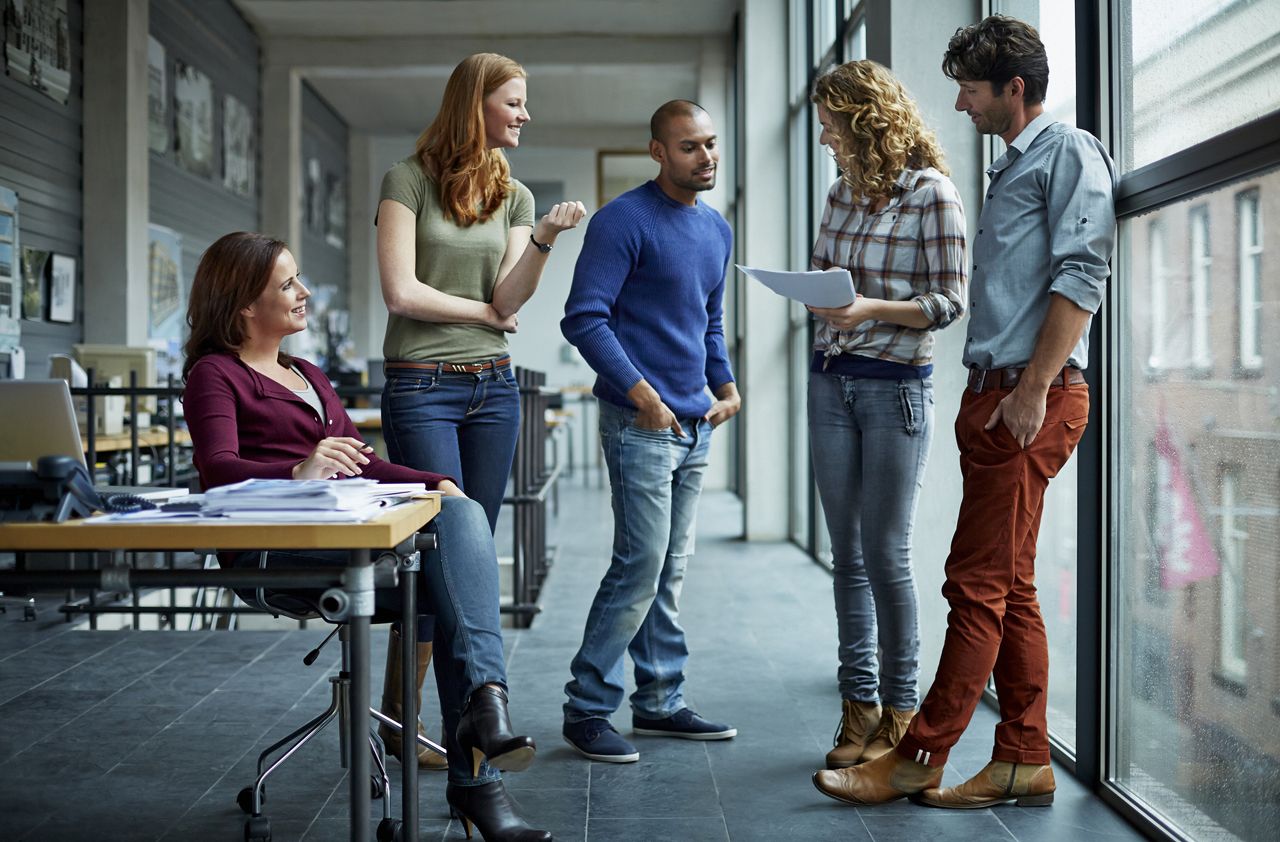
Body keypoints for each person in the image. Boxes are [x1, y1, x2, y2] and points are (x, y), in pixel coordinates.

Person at [813, 15, 1117, 809]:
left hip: (1029, 396)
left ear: (1015, 89)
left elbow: (1084, 275)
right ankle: (1022, 759)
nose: (959, 104)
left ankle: (919, 753)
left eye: (972, 89)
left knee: (972, 583)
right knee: (1010, 585)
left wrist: (1030, 391)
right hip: (996, 395)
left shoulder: (1069, 152)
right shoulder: (1010, 166)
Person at [182, 232, 551, 842]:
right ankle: (479, 772)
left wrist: (436, 481)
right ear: (245, 304)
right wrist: (297, 470)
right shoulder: (215, 375)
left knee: (461, 519)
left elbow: (364, 464)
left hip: (349, 534)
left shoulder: (308, 373)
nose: (303, 293)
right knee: (456, 581)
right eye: (287, 284)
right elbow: (217, 469)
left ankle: (485, 714)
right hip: (279, 550)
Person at [559, 101, 741, 763]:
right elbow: (583, 319)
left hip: (697, 424)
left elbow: (708, 322)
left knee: (669, 568)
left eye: (711, 144)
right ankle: (586, 708)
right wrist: (643, 394)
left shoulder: (716, 229)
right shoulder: (622, 222)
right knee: (640, 565)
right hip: (642, 423)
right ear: (658, 152)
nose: (706, 157)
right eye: (690, 147)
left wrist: (726, 384)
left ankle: (660, 701)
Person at [805, 60, 967, 772]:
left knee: (887, 556)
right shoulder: (840, 194)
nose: (822, 138)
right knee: (847, 557)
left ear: (865, 120)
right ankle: (858, 707)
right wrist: (818, 297)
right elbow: (823, 279)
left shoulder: (932, 195)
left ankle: (901, 717)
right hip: (830, 382)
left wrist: (870, 307)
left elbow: (948, 301)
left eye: (831, 125)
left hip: (895, 387)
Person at [376, 51, 585, 534]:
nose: (525, 115)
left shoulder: (516, 196)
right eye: (513, 103)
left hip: (495, 387)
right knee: (442, 539)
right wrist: (485, 316)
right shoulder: (406, 180)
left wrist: (545, 237)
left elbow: (507, 302)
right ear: (475, 104)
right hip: (420, 385)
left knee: (476, 543)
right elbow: (400, 294)